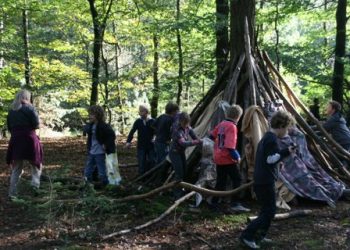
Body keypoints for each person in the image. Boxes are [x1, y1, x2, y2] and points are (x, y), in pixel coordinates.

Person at [240, 110, 296, 249]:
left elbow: (268, 159)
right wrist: (286, 152)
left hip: (262, 179)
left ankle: (260, 236)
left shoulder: (267, 137)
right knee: (269, 211)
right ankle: (247, 236)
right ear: (282, 126)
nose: (287, 132)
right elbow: (270, 159)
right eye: (287, 128)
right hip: (265, 181)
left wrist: (279, 162)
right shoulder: (271, 139)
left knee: (267, 210)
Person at [210, 104, 250, 212]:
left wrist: (217, 147)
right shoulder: (232, 127)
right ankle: (235, 203)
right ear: (238, 117)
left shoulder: (222, 124)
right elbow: (230, 146)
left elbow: (211, 136)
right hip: (227, 159)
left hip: (218, 157)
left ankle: (214, 202)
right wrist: (237, 157)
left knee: (221, 181)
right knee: (237, 179)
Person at [6, 89, 43, 200]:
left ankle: (12, 194)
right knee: (36, 166)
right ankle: (35, 189)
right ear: (27, 97)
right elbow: (36, 124)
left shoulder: (11, 110)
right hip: (29, 138)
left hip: (16, 139)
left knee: (16, 168)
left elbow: (9, 127)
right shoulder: (30, 108)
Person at [169, 112, 202, 199]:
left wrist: (199, 140)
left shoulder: (187, 126)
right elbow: (183, 143)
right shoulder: (176, 129)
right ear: (180, 122)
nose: (186, 126)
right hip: (174, 153)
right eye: (184, 124)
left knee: (184, 170)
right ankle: (176, 194)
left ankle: (179, 189)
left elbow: (193, 135)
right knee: (179, 173)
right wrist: (196, 142)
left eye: (187, 124)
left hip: (180, 152)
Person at [84, 105, 116, 186]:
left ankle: (105, 185)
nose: (89, 116)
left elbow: (112, 135)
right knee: (88, 170)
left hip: (100, 152)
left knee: (101, 170)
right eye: (89, 114)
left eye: (92, 114)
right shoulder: (91, 125)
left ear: (98, 115)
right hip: (92, 151)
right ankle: (88, 184)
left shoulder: (103, 126)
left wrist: (106, 144)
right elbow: (87, 132)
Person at [126, 105, 156, 174]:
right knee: (141, 161)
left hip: (151, 145)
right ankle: (141, 177)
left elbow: (157, 132)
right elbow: (132, 131)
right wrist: (128, 142)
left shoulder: (153, 121)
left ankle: (151, 175)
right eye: (139, 111)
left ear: (146, 112)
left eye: (141, 111)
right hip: (141, 145)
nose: (140, 113)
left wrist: (155, 138)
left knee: (152, 161)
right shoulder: (138, 121)